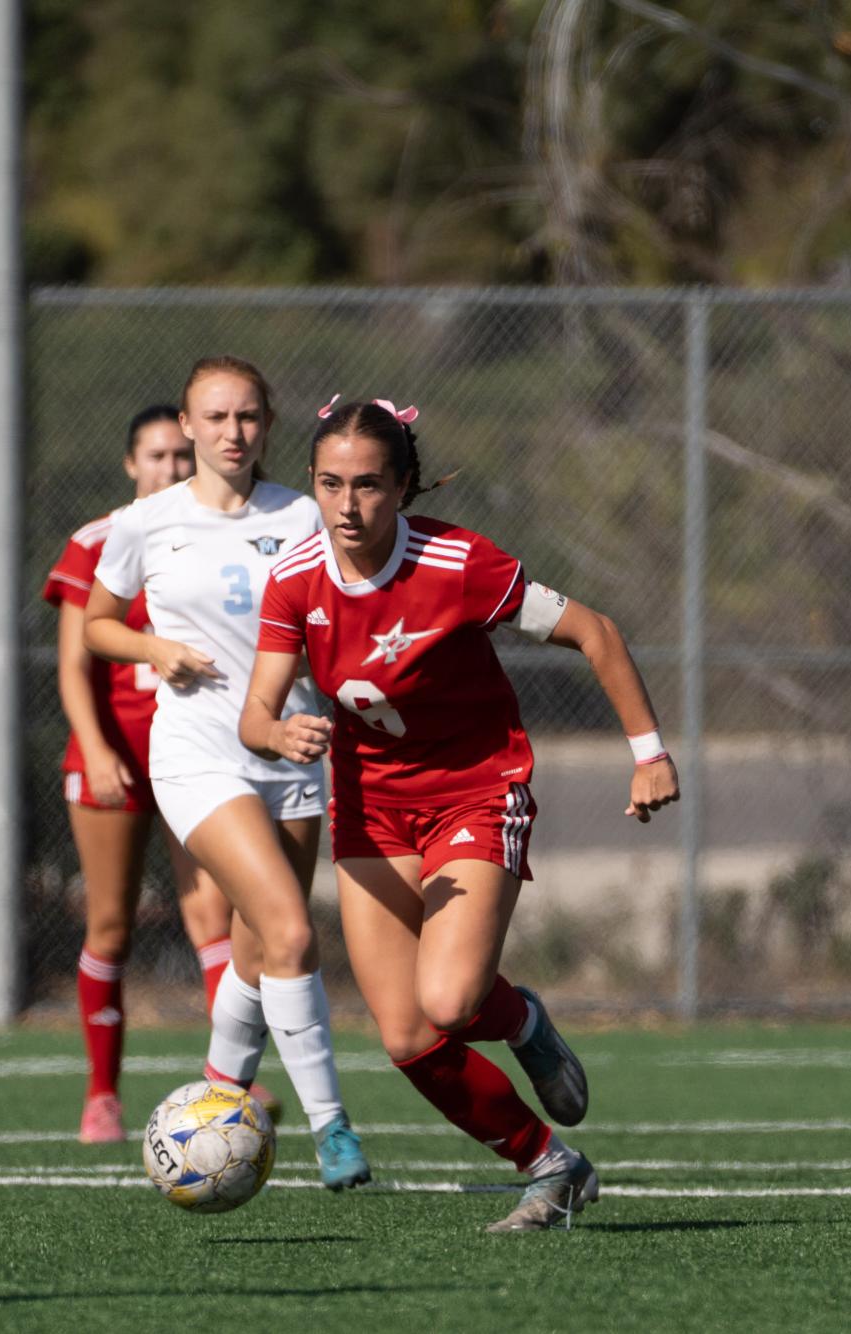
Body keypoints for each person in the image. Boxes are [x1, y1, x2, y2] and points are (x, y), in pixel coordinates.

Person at [241, 395, 679, 1231]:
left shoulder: (457, 561)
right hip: (371, 811)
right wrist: (277, 732)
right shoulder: (294, 578)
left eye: (367, 485)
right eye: (329, 484)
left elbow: (596, 631)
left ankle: (516, 1017)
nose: (346, 504)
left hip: (477, 791)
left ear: (402, 485)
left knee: (448, 1002)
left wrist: (648, 752)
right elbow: (256, 715)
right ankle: (550, 1165)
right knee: (406, 1036)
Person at [83, 357, 369, 1189]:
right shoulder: (144, 522)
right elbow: (97, 626)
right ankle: (333, 1129)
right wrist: (152, 646)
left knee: (254, 951)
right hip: (196, 754)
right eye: (214, 419)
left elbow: (344, 615)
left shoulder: (307, 515)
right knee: (289, 929)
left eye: (246, 418)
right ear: (186, 424)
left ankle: (217, 1096)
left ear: (268, 424)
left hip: (295, 754)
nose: (231, 433)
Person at [45, 404, 248, 1143]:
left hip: (195, 753)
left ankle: (230, 1088)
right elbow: (75, 662)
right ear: (132, 465)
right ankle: (102, 1095)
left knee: (212, 918)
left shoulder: (218, 535)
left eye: (177, 454)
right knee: (109, 922)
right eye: (154, 456)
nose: (168, 466)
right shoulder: (102, 540)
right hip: (118, 759)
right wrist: (96, 749)